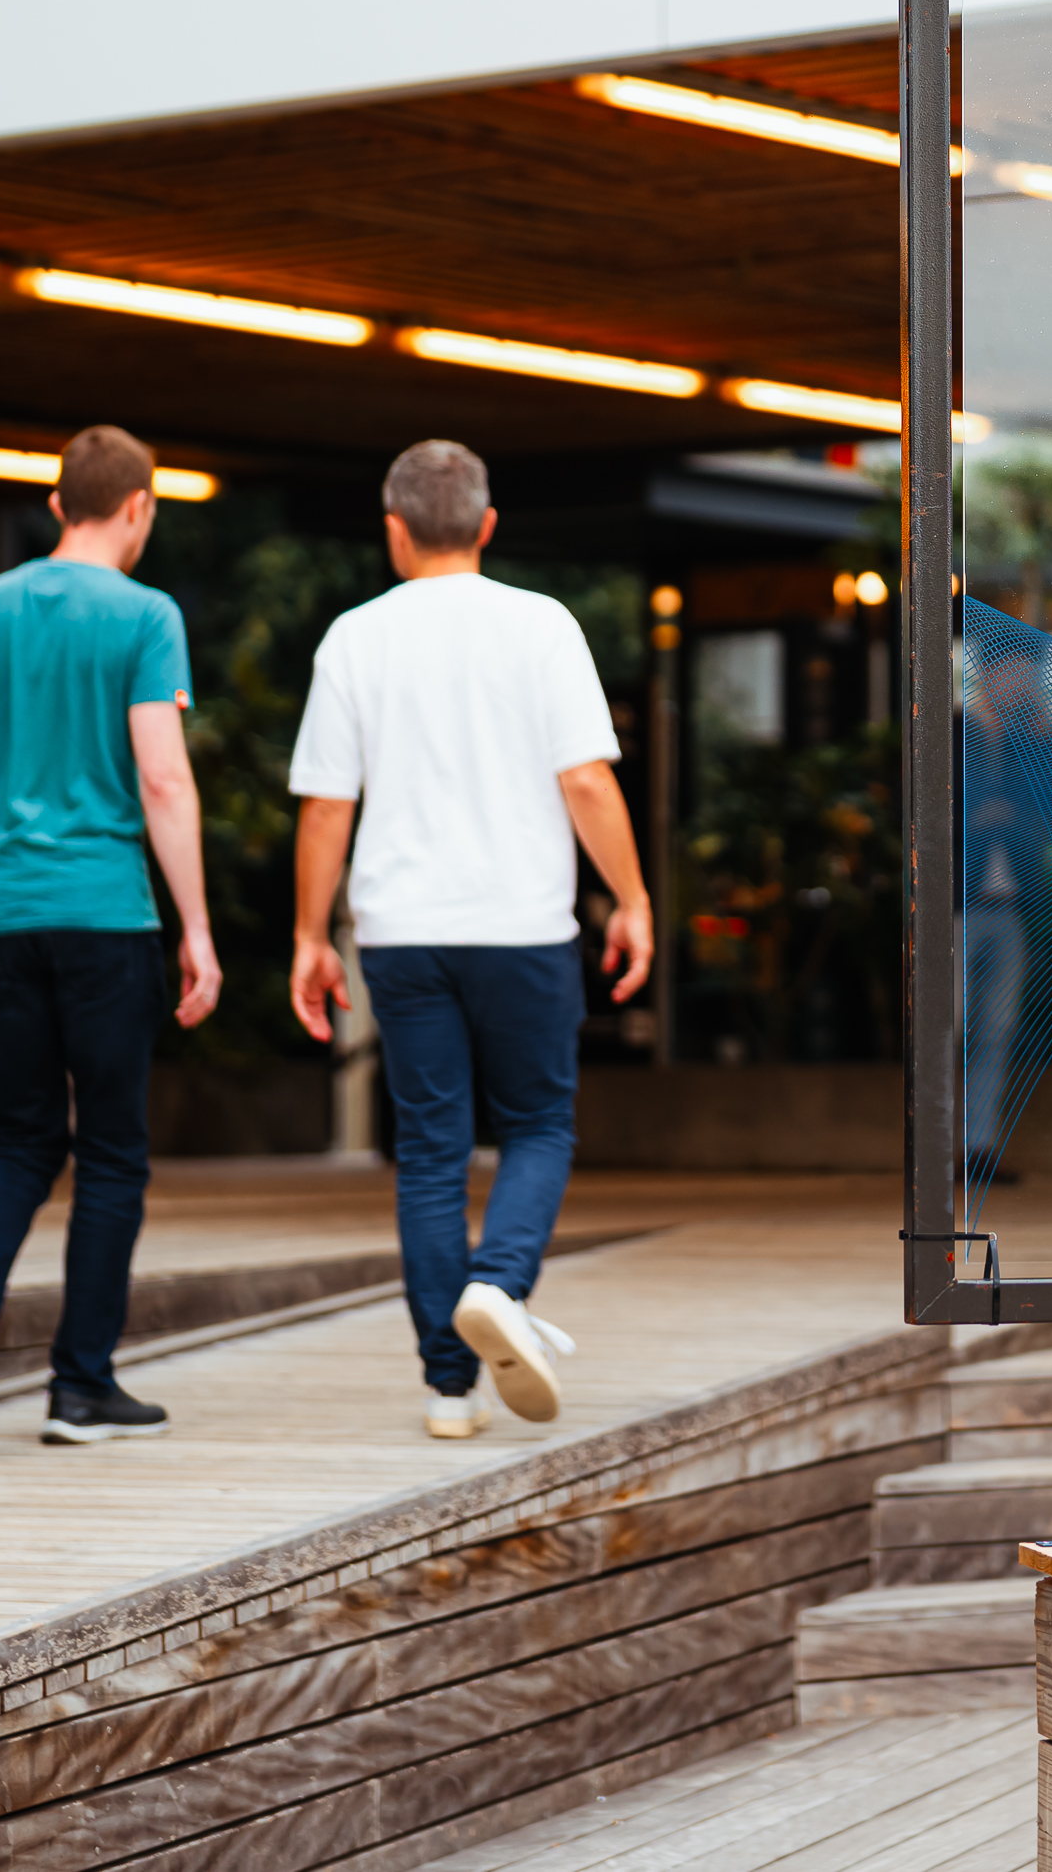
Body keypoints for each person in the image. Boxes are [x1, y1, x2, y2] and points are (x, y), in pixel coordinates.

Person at [288, 439, 652, 1439]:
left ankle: (448, 1389)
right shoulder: (542, 626)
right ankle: (501, 1284)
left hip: (402, 937)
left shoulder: (354, 637)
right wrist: (630, 896)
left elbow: (326, 808)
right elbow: (585, 779)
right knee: (537, 1125)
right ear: (488, 525)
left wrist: (309, 935)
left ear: (394, 530)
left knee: (431, 1153)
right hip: (522, 926)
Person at [0, 425, 221, 1446]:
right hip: (102, 914)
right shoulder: (146, 615)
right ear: (138, 509)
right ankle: (81, 1387)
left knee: (24, 1135)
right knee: (112, 1152)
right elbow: (163, 778)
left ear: (55, 506)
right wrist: (198, 929)